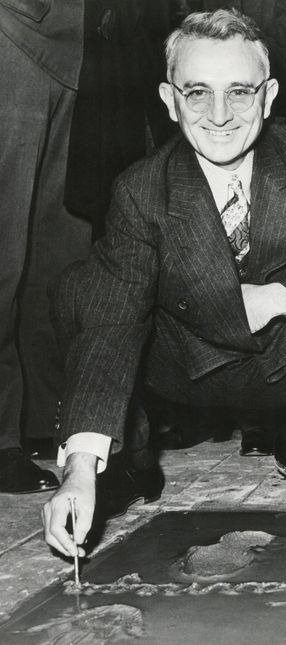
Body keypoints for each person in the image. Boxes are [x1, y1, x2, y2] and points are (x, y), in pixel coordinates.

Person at [42, 8, 286, 558]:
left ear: (267, 97)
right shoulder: (142, 191)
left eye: (239, 92)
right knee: (82, 292)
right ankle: (132, 464)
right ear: (170, 101)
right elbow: (111, 325)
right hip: (180, 363)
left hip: (284, 358)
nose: (219, 115)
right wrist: (79, 467)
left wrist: (275, 298)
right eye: (198, 93)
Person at [0, 0, 91, 493]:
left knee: (59, 250)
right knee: (3, 252)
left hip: (84, 44)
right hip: (10, 31)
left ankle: (39, 417)